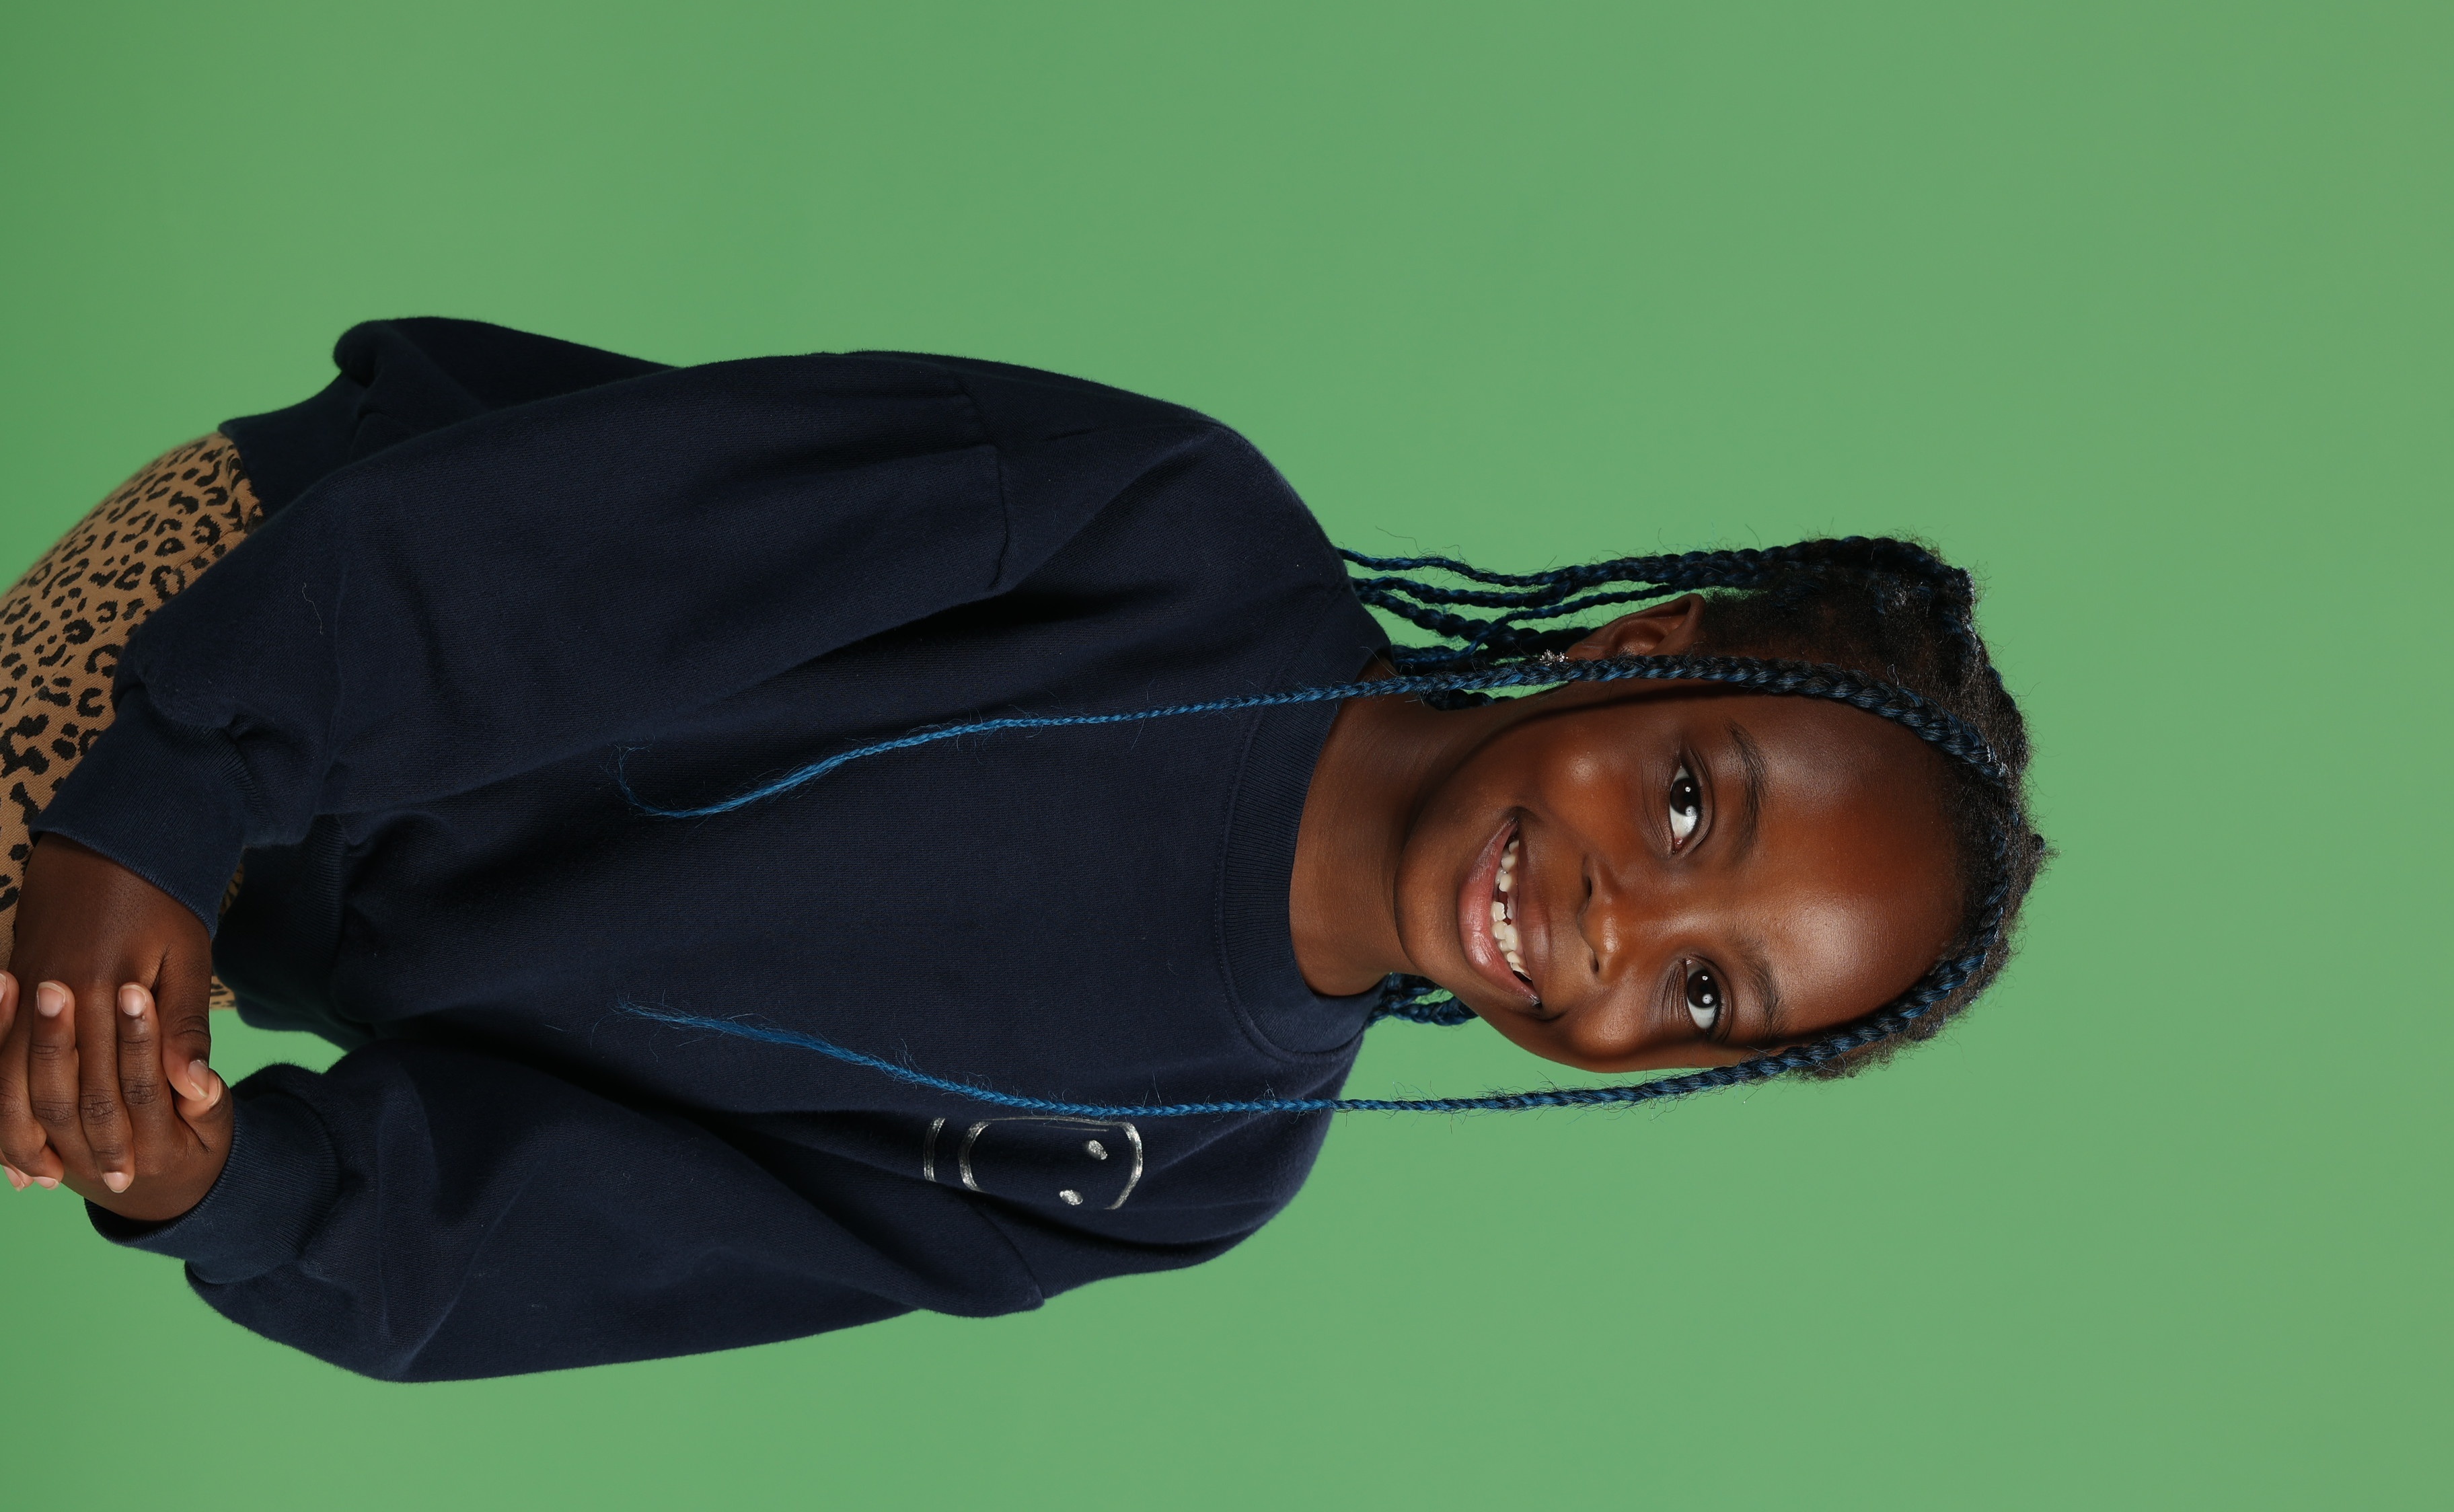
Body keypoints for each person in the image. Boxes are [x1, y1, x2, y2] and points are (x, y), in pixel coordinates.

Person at [0, 319, 2045, 1380]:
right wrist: (164, 801)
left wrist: (225, 1184)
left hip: (243, 922)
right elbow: (583, 549)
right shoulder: (1171, 538)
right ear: (1639, 652)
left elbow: (619, 1240)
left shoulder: (1194, 1168)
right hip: (269, 621)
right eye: (1688, 804)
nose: (1619, 928)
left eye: (1706, 993)